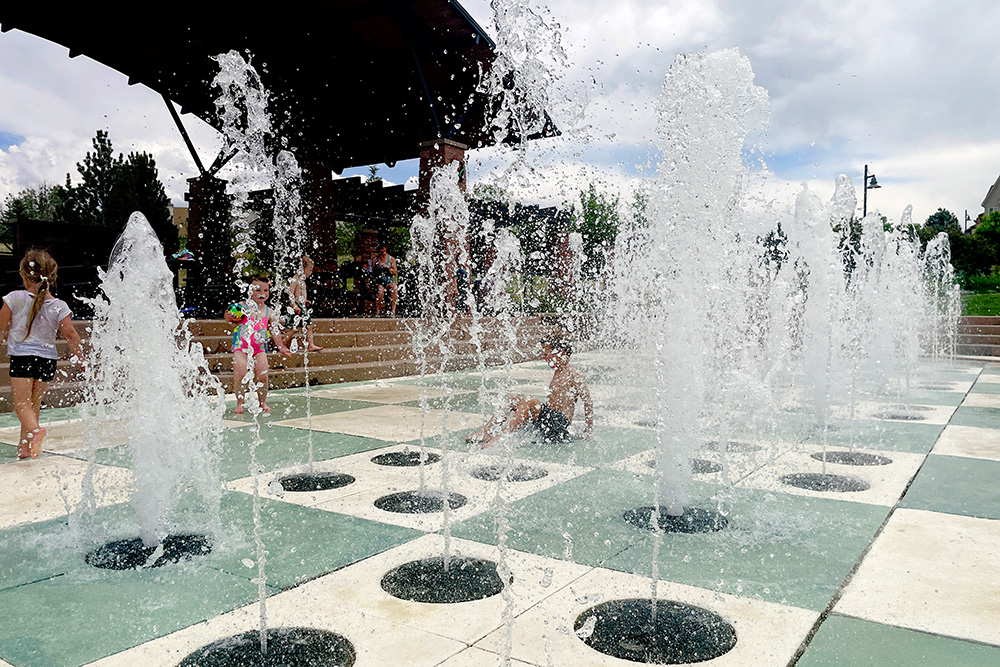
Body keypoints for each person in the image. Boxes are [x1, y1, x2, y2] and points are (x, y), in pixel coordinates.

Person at [0, 250, 83, 458]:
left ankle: (36, 432)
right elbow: (71, 334)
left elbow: (1, 328)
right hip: (47, 360)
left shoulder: (14, 298)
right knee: (33, 405)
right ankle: (25, 447)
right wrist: (81, 359)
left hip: (23, 357)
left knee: (20, 404)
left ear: (23, 274)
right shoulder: (59, 305)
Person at [467, 336, 594, 448]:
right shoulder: (559, 372)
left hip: (559, 423)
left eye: (547, 353)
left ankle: (502, 438)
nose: (544, 357)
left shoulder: (575, 375)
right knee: (511, 399)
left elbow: (588, 402)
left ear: (560, 353)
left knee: (529, 400)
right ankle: (486, 431)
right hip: (548, 417)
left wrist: (588, 431)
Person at [224, 275, 292, 414]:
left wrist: (281, 346)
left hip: (259, 349)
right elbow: (228, 317)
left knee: (263, 375)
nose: (262, 293)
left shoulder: (269, 312)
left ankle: (262, 401)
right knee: (240, 374)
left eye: (265, 290)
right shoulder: (241, 307)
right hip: (241, 347)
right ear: (249, 291)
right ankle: (239, 403)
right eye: (257, 289)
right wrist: (228, 317)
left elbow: (274, 330)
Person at [284, 255, 323, 352]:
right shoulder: (295, 279)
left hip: (301, 306)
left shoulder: (301, 280)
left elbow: (298, 294)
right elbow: (290, 294)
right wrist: (294, 306)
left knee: (308, 326)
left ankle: (310, 345)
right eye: (309, 270)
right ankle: (282, 342)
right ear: (302, 269)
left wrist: (304, 301)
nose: (310, 272)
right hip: (297, 307)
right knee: (295, 328)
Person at [370, 243, 398, 317]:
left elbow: (395, 272)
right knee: (380, 291)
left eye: (382, 248)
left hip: (389, 280)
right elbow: (370, 271)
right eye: (379, 249)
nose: (381, 250)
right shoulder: (375, 259)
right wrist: (376, 268)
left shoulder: (391, 259)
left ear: (386, 248)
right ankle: (377, 312)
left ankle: (393, 311)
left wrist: (388, 268)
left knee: (394, 288)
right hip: (379, 280)